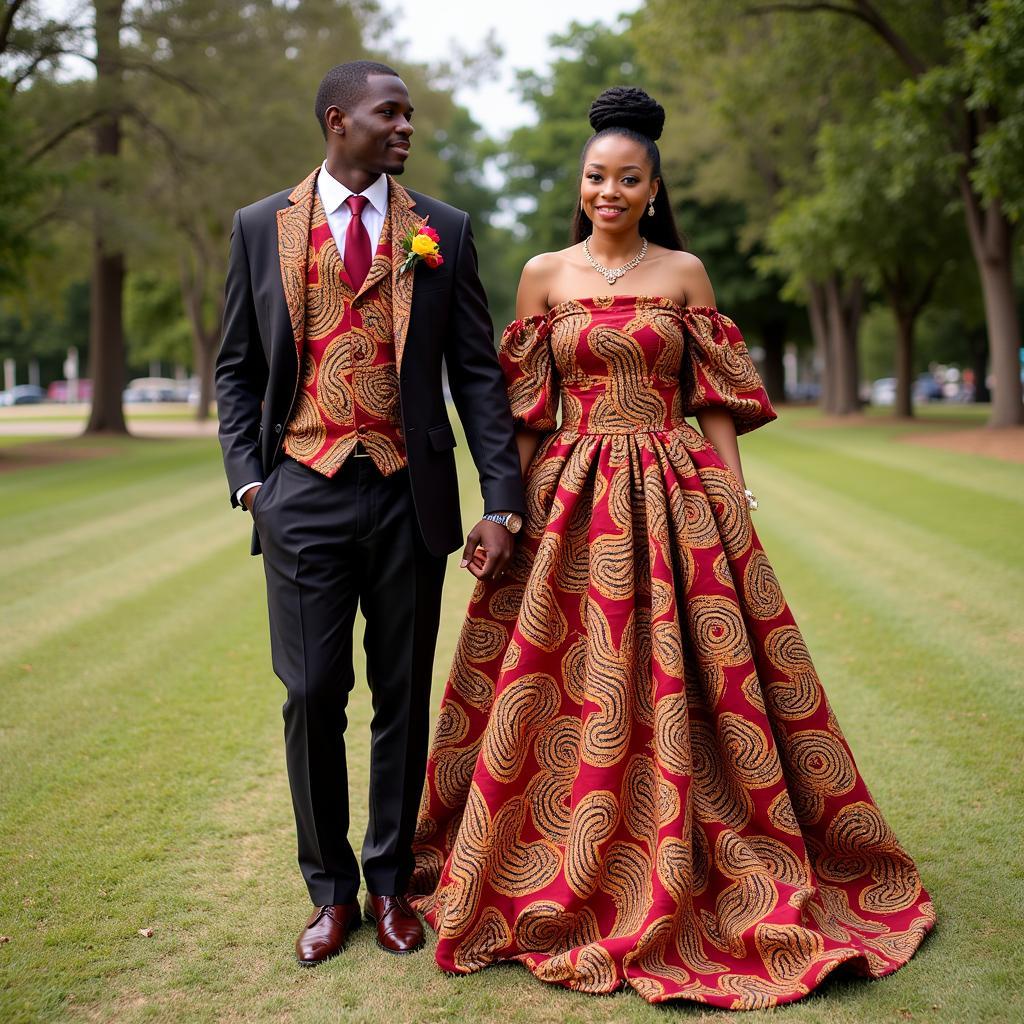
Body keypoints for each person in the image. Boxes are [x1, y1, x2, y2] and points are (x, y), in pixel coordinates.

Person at [411, 87, 934, 1010]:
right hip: (569, 498)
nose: (608, 191)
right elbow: (525, 412)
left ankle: (709, 845)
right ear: (580, 184)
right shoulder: (543, 276)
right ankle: (550, 852)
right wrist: (508, 511)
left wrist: (732, 493)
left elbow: (715, 400)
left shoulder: (687, 274)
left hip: (675, 492)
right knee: (563, 675)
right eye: (595, 177)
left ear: (653, 188)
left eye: (627, 179)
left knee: (701, 674)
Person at [215, 60, 525, 966]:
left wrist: (500, 499)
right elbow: (236, 368)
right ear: (336, 119)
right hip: (299, 489)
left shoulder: (445, 232)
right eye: (390, 114)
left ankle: (390, 886)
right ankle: (329, 891)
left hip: (407, 490)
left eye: (410, 116)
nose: (405, 128)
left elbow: (475, 373)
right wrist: (251, 486)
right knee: (312, 693)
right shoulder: (256, 227)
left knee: (401, 695)